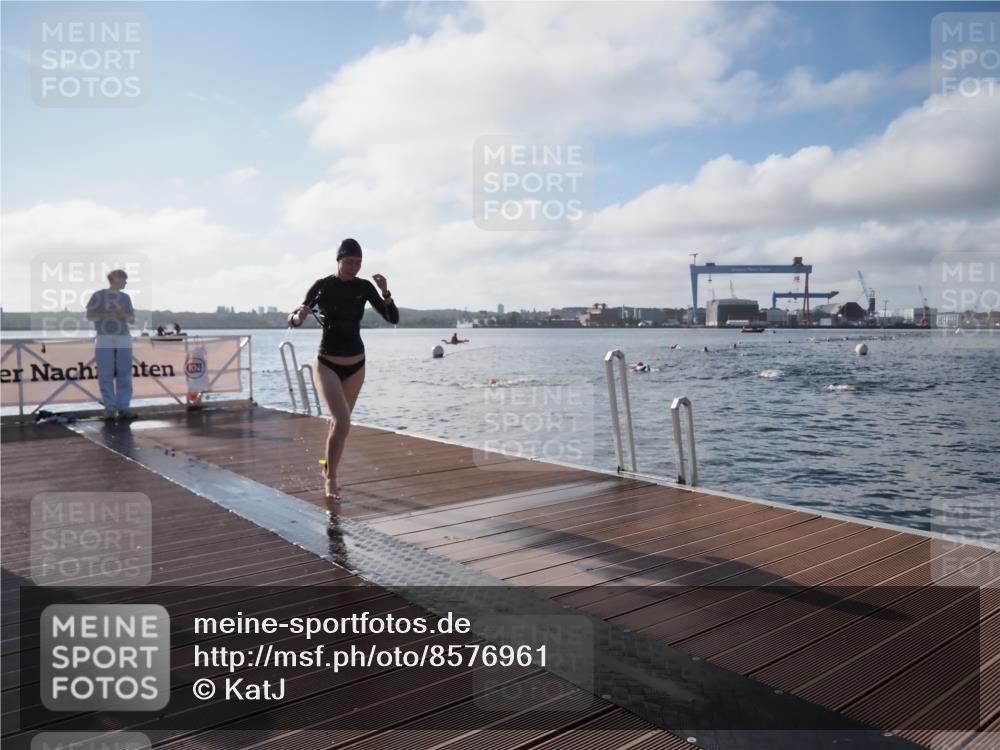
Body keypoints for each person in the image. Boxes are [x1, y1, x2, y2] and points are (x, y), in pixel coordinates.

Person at [289, 238, 399, 511]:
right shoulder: (322, 286)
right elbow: (295, 317)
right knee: (342, 421)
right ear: (338, 261)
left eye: (358, 262)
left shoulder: (364, 287)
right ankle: (331, 479)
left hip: (356, 365)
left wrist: (385, 292)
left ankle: (327, 467)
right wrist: (298, 317)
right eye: (349, 261)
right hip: (327, 363)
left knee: (340, 426)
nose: (354, 267)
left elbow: (392, 317)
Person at [85, 269, 136, 420]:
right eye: (124, 279)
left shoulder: (126, 298)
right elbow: (89, 316)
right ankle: (110, 408)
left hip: (123, 337)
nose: (126, 282)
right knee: (105, 373)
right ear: (116, 279)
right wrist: (105, 315)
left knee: (125, 373)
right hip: (104, 337)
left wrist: (122, 314)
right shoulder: (98, 295)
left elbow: (132, 320)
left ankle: (123, 407)